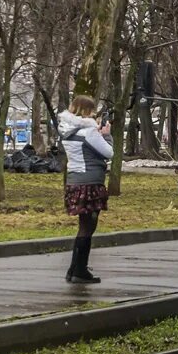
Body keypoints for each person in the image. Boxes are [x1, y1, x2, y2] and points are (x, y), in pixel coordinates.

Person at [60, 95, 114, 284]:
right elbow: (109, 153)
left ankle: (74, 268)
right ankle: (80, 271)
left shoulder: (67, 131)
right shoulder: (88, 132)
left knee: (84, 226)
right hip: (90, 182)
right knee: (88, 227)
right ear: (86, 111)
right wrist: (106, 135)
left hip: (75, 181)